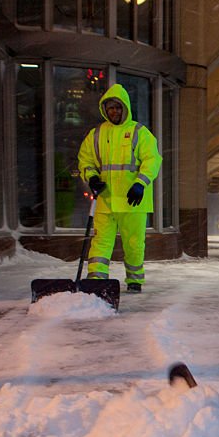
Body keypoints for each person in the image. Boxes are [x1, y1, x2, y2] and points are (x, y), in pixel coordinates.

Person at [78, 84, 162, 293]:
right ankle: (96, 280)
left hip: (132, 201)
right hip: (105, 200)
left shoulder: (139, 132)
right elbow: (85, 161)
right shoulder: (96, 134)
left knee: (134, 244)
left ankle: (134, 280)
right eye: (110, 108)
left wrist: (140, 183)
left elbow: (152, 160)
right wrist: (92, 177)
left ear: (125, 108)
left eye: (117, 107)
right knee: (100, 243)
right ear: (104, 110)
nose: (113, 111)